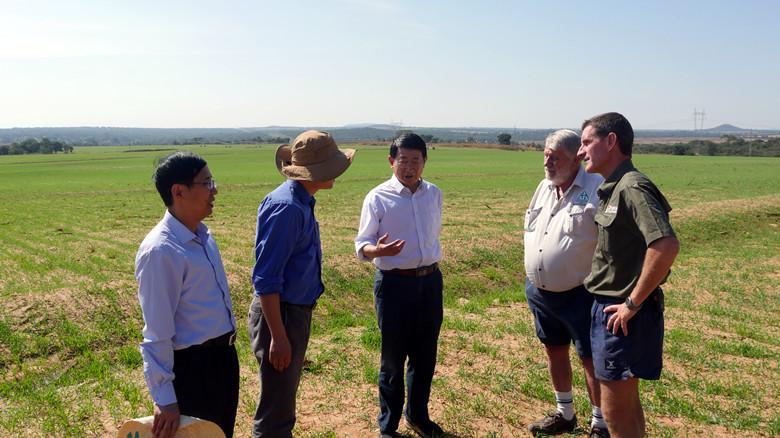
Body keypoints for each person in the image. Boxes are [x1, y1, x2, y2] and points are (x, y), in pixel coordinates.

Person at [577, 112, 680, 438]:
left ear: (611, 141)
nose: (580, 152)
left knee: (615, 412)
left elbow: (665, 245)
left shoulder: (632, 187)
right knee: (625, 406)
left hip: (621, 314)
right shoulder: (615, 186)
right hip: (612, 310)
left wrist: (632, 304)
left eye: (586, 142)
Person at [249, 130, 355, 438]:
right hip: (281, 315)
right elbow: (266, 278)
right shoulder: (288, 208)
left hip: (290, 313)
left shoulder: (301, 201)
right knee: (276, 413)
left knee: (282, 403)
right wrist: (279, 337)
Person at [135, 152, 239, 438]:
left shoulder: (204, 237)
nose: (214, 190)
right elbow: (157, 332)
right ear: (178, 191)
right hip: (193, 372)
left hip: (222, 361)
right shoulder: (160, 251)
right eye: (206, 183)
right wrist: (165, 398)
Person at [354, 133, 445, 438]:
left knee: (425, 355)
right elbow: (362, 244)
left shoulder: (434, 194)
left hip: (430, 282)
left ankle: (418, 416)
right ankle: (388, 426)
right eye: (403, 160)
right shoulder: (377, 197)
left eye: (415, 160)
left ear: (425, 162)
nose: (409, 167)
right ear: (391, 161)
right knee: (393, 360)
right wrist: (377, 251)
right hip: (394, 285)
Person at [523, 130, 608, 437]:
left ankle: (600, 424)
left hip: (582, 294)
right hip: (541, 293)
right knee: (554, 351)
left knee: (590, 360)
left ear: (576, 159)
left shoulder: (596, 188)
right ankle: (565, 413)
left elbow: (608, 243)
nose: (548, 162)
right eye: (546, 155)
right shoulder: (544, 187)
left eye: (555, 157)